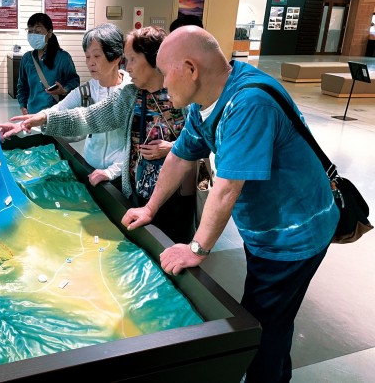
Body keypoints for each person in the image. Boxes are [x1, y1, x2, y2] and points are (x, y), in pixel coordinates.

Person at [121, 25, 339, 383]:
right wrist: (149, 209)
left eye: (165, 72)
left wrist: (196, 248)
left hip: (293, 234)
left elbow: (226, 188)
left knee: (262, 328)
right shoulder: (204, 101)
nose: (162, 82)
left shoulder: (248, 104)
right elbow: (180, 155)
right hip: (267, 229)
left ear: (191, 69)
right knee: (275, 317)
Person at [0, 26, 196, 244]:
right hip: (137, 192)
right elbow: (87, 117)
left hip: (175, 197)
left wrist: (173, 148)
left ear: (154, 59)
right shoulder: (130, 94)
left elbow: (201, 139)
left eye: (132, 60)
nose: (128, 67)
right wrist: (41, 120)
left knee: (174, 244)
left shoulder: (184, 95)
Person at [45, 23, 131, 186]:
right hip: (91, 167)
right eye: (87, 56)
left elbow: (135, 141)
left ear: (116, 57)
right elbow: (57, 111)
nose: (90, 63)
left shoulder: (131, 90)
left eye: (96, 56)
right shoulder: (86, 91)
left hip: (122, 174)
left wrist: (112, 171)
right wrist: (26, 124)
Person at [17, 13, 80, 115]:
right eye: (30, 31)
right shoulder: (27, 58)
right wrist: (23, 106)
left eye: (38, 31)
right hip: (33, 113)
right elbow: (22, 86)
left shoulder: (63, 58)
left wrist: (64, 90)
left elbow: (74, 81)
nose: (33, 35)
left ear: (49, 33)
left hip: (56, 114)